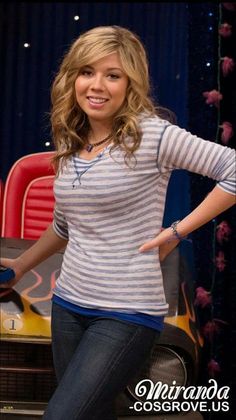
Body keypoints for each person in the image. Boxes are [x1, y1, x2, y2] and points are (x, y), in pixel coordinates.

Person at [1, 25, 235, 420]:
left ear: (131, 83)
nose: (97, 85)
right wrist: (18, 268)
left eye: (113, 75)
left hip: (125, 312)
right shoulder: (71, 140)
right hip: (69, 303)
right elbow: (64, 226)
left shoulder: (151, 135)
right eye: (87, 72)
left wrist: (177, 230)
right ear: (72, 77)